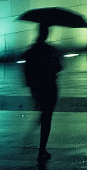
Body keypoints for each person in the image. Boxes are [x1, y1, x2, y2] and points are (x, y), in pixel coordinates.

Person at [22, 24, 65, 159]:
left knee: (44, 113)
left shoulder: (32, 50)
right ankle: (42, 148)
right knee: (47, 117)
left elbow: (26, 68)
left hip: (38, 87)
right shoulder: (50, 50)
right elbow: (59, 67)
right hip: (50, 86)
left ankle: (38, 142)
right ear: (47, 33)